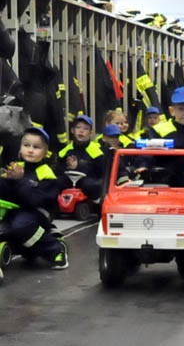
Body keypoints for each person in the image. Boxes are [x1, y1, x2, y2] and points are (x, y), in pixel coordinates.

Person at [0, 127, 68, 269]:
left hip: (38, 211)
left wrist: (18, 181)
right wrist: (6, 180)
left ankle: (55, 249)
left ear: (45, 152)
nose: (30, 150)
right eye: (26, 146)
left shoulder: (46, 173)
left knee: (21, 226)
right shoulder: (17, 167)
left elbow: (35, 199)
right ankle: (22, 248)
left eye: (36, 147)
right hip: (16, 209)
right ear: (20, 147)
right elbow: (6, 192)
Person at [56, 114, 105, 201]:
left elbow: (100, 173)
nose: (81, 131)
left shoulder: (97, 151)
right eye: (78, 127)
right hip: (69, 182)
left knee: (90, 184)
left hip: (88, 184)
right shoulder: (64, 152)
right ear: (72, 130)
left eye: (85, 129)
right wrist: (68, 167)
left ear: (90, 133)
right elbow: (58, 171)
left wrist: (79, 166)